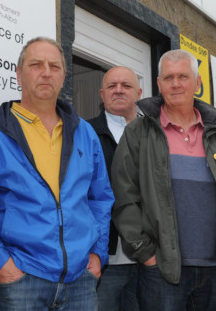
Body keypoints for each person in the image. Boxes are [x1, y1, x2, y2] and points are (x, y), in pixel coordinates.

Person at [0, 37, 114, 310]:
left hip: (81, 280)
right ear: (18, 74)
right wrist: (0, 263)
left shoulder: (85, 132)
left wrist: (97, 253)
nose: (46, 72)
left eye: (54, 66)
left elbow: (101, 198)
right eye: (36, 64)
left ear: (63, 77)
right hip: (20, 277)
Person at [111, 49, 216, 311]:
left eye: (183, 76)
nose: (176, 84)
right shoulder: (138, 132)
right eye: (168, 78)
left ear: (197, 83)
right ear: (158, 84)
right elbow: (124, 195)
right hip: (162, 270)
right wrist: (146, 254)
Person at [87, 66, 143, 311]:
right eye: (112, 86)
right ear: (101, 94)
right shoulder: (84, 132)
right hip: (103, 260)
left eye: (126, 85)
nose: (118, 90)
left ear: (139, 92)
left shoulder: (156, 133)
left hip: (148, 259)